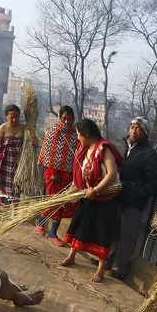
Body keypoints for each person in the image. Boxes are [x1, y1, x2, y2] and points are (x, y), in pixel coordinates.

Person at [60, 119, 124, 283]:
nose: (78, 138)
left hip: (105, 198)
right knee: (80, 224)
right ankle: (71, 256)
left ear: (86, 134)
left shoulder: (104, 148)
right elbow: (81, 173)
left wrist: (96, 190)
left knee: (103, 232)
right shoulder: (85, 149)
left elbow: (111, 174)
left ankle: (100, 270)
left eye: (79, 134)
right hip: (87, 194)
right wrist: (72, 190)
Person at [109, 117, 157, 280]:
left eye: (138, 128)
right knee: (113, 230)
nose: (133, 131)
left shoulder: (150, 155)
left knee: (127, 234)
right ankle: (107, 259)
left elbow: (154, 183)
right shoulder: (121, 146)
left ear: (145, 133)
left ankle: (120, 267)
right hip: (115, 196)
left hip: (133, 201)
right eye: (132, 127)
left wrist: (134, 190)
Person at [36, 106, 78, 244]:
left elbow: (75, 154)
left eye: (70, 119)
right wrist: (54, 172)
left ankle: (41, 221)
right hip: (53, 173)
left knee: (62, 203)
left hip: (67, 175)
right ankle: (52, 232)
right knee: (56, 202)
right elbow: (48, 153)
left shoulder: (75, 134)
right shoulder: (54, 131)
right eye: (64, 119)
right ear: (59, 118)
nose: (67, 122)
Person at [0, 104, 27, 206]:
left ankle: (14, 212)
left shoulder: (24, 128)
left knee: (15, 189)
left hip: (18, 164)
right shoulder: (2, 128)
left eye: (16, 117)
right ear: (6, 117)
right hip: (3, 163)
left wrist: (33, 144)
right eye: (11, 117)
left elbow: (30, 144)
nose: (14, 120)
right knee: (0, 187)